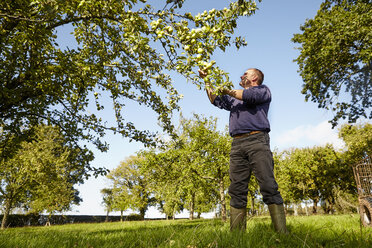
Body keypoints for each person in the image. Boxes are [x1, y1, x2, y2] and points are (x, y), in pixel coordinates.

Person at [199, 68, 288, 233]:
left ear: (254, 77)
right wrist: (206, 80)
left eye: (245, 74)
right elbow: (214, 99)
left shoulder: (262, 90)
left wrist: (225, 89)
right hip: (237, 144)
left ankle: (282, 233)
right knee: (236, 189)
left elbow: (248, 96)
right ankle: (237, 237)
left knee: (268, 185)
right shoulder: (234, 99)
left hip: (257, 141)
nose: (241, 76)